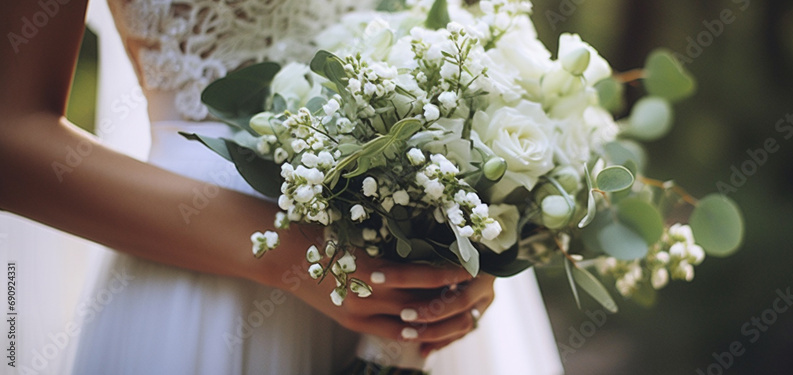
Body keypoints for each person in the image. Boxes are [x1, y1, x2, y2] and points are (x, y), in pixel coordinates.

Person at [0, 0, 563, 373]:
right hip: (206, 287)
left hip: (422, 308)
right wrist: (299, 256)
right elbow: (11, 137)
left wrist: (476, 240)